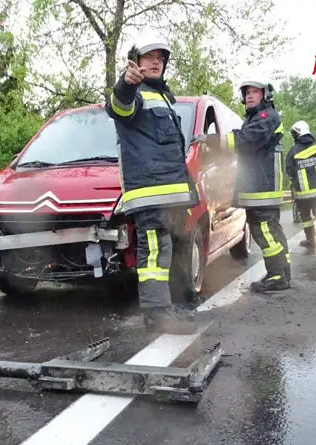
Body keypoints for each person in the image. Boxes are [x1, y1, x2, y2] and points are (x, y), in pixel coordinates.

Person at [105, 32, 200, 334]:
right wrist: (126, 82)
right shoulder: (134, 91)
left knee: (164, 252)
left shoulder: (162, 96)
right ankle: (158, 315)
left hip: (168, 193)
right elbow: (118, 107)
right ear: (135, 62)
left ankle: (167, 309)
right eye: (149, 57)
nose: (156, 62)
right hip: (150, 193)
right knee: (155, 254)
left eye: (160, 58)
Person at [217, 77, 291, 292]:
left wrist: (212, 141)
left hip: (262, 188)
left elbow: (246, 140)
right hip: (260, 186)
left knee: (265, 231)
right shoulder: (256, 118)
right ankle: (282, 271)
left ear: (266, 95)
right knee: (272, 231)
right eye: (246, 92)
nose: (249, 96)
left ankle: (277, 276)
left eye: (254, 92)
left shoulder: (266, 116)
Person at [284, 120, 316, 249]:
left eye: (294, 133)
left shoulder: (293, 151)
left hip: (302, 192)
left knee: (305, 217)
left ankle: (311, 240)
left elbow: (289, 169)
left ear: (298, 133)